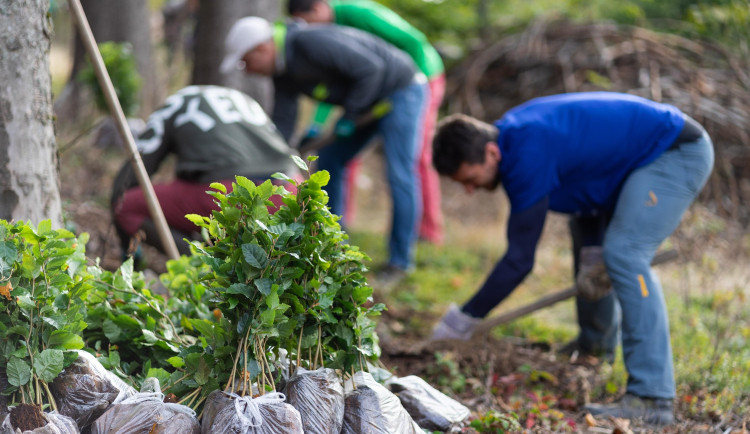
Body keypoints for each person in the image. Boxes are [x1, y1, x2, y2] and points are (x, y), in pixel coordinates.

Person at [429, 92, 714, 425]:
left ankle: (652, 397)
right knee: (592, 251)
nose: (469, 189)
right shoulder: (514, 138)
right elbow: (588, 190)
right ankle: (595, 345)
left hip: (674, 152)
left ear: (491, 152)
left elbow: (519, 260)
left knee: (625, 255)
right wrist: (593, 257)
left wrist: (464, 319)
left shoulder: (526, 153)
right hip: (630, 166)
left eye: (470, 179)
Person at [221, 16, 426, 285]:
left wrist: (349, 117)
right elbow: (282, 124)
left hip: (400, 88)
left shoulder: (310, 42)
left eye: (247, 62)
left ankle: (400, 264)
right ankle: (336, 250)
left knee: (400, 173)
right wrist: (279, 156)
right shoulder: (283, 75)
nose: (247, 70)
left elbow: (372, 69)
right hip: (367, 100)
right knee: (330, 160)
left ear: (262, 49)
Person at [287, 0, 446, 244]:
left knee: (413, 159)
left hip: (417, 78)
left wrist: (416, 88)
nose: (307, 30)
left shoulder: (360, 13)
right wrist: (317, 126)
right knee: (339, 156)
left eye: (308, 23)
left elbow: (414, 41)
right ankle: (337, 233)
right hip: (370, 92)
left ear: (318, 7)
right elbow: (332, 87)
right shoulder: (325, 36)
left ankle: (428, 231)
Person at [111, 85, 299, 258]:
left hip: (233, 195)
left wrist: (128, 251)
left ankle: (204, 265)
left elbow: (129, 178)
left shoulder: (177, 103)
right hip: (291, 190)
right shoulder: (244, 100)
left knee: (125, 204)